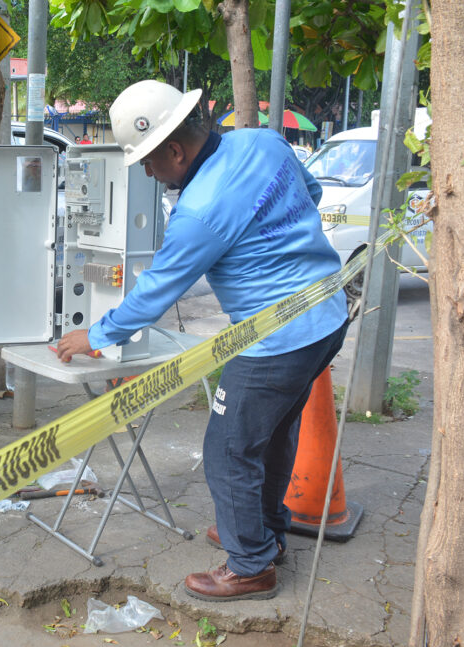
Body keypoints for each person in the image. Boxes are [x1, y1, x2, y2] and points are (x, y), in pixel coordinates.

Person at [56, 80, 348, 602]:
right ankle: (262, 534)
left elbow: (154, 294)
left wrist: (95, 336)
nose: (146, 171)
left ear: (174, 149)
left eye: (147, 160)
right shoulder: (261, 142)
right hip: (324, 316)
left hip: (277, 339)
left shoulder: (200, 210)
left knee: (229, 447)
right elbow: (313, 192)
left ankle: (250, 566)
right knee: (273, 432)